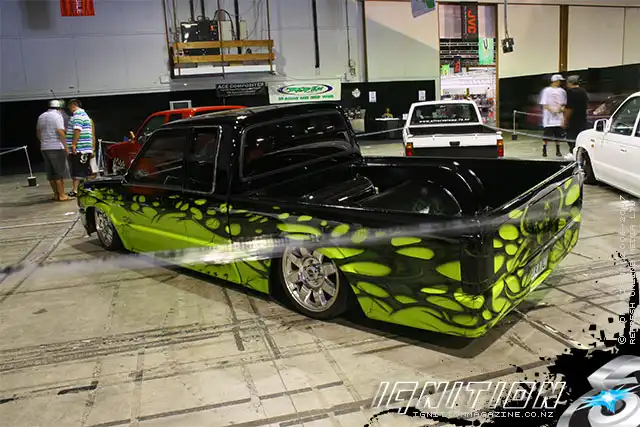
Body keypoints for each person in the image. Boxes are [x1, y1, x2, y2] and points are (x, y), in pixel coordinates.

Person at [37, 100, 72, 201]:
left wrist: (44, 141)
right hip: (56, 147)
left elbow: (38, 132)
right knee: (59, 173)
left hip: (44, 147)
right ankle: (62, 195)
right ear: (59, 108)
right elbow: (60, 131)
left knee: (51, 173)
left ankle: (56, 195)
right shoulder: (57, 116)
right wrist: (66, 146)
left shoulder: (41, 116)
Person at [65, 99, 94, 197]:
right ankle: (87, 188)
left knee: (77, 170)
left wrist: (73, 144)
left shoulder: (78, 114)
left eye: (69, 107)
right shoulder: (84, 114)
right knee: (85, 170)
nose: (69, 110)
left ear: (72, 105)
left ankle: (76, 190)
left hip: (80, 148)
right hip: (84, 147)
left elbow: (77, 129)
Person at [539, 74, 567, 157]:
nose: (560, 83)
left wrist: (560, 109)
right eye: (559, 81)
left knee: (557, 135)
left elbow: (563, 104)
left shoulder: (562, 91)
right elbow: (544, 104)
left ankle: (558, 150)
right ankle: (544, 149)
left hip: (558, 118)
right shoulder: (546, 91)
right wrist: (552, 111)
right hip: (548, 118)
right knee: (546, 136)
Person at [563, 75, 589, 160]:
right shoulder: (583, 91)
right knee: (580, 136)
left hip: (573, 119)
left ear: (570, 83)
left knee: (571, 136)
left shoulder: (571, 92)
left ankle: (573, 153)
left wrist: (565, 119)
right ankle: (580, 153)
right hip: (582, 118)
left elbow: (569, 108)